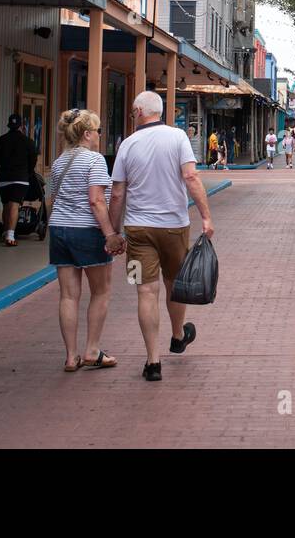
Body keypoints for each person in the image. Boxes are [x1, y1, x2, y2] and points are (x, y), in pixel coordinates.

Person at [110, 91, 214, 382]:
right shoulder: (177, 137)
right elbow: (191, 177)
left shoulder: (127, 145)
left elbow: (117, 192)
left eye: (133, 111)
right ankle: (178, 336)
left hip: (137, 231)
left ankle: (152, 361)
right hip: (174, 227)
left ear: (140, 111)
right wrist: (206, 216)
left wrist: (113, 232)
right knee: (174, 284)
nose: (132, 115)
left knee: (145, 291)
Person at [49, 109, 123, 372]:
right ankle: (92, 349)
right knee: (101, 291)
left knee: (68, 296)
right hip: (87, 231)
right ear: (88, 134)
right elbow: (96, 200)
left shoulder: (58, 162)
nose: (100, 136)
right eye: (99, 131)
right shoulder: (95, 160)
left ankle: (71, 356)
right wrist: (110, 234)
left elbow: (54, 197)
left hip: (59, 229)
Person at [0, 113, 38, 247]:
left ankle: (6, 231)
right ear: (21, 126)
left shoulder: (0, 140)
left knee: (6, 205)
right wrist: (27, 172)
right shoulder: (28, 142)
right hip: (20, 178)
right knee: (14, 205)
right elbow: (33, 160)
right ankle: (10, 236)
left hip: (4, 178)